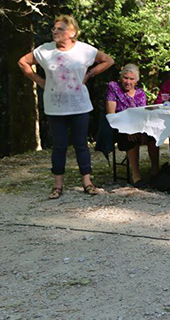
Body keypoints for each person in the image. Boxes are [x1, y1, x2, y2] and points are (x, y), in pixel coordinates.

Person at [18, 14, 114, 199]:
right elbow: (23, 62)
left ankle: (87, 182)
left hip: (79, 106)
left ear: (72, 32)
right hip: (55, 107)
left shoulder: (84, 50)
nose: (55, 31)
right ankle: (57, 186)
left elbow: (108, 60)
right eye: (54, 28)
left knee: (81, 145)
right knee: (59, 146)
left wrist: (90, 74)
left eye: (60, 29)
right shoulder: (44, 50)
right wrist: (39, 80)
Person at [105, 64, 160, 187]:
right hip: (119, 126)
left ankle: (155, 171)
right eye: (125, 78)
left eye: (132, 79)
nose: (128, 82)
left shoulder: (140, 93)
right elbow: (111, 115)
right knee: (131, 138)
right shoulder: (113, 88)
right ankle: (136, 176)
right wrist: (129, 130)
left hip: (138, 126)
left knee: (153, 136)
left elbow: (143, 116)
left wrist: (142, 130)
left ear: (137, 80)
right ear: (121, 77)